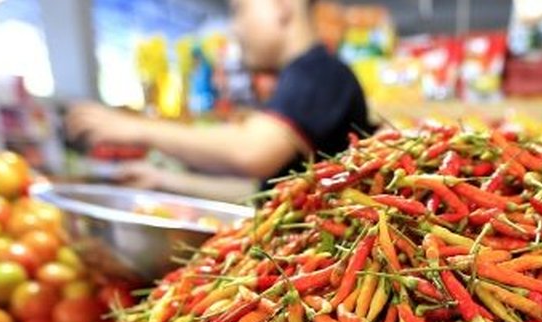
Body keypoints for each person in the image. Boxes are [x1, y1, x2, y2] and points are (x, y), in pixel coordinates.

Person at [66, 0, 371, 198]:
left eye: (240, 10)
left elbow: (251, 151)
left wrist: (140, 129)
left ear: (282, 6)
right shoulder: (303, 76)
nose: (235, 28)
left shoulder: (319, 73)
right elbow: (268, 192)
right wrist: (163, 180)